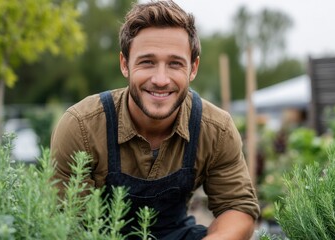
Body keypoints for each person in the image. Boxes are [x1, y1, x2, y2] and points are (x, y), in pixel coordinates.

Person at [50, 0, 260, 239]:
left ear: (193, 68)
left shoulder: (215, 129)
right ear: (125, 64)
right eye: (147, 62)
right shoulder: (81, 126)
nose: (161, 79)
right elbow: (66, 223)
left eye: (175, 64)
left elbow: (238, 208)